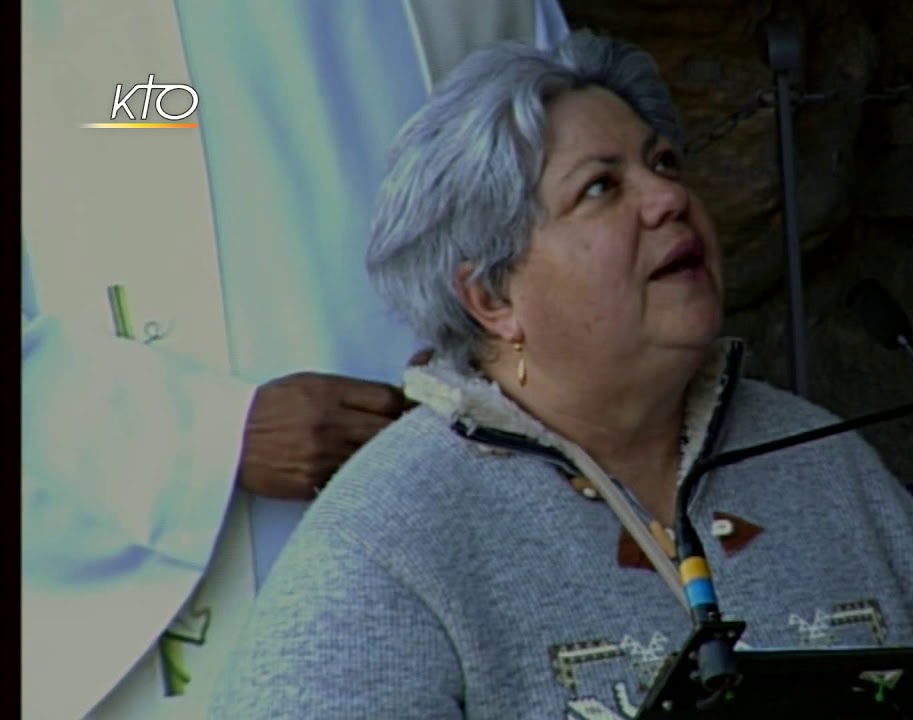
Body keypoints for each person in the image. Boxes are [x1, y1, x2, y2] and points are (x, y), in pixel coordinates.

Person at [210, 30, 913, 719]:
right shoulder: (386, 542)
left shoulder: (827, 461)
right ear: (493, 296)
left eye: (665, 163)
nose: (670, 198)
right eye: (602, 187)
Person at [20, 1, 569, 718]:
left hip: (465, 541)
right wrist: (203, 440)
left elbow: (576, 189)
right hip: (188, 581)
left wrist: (505, 371)